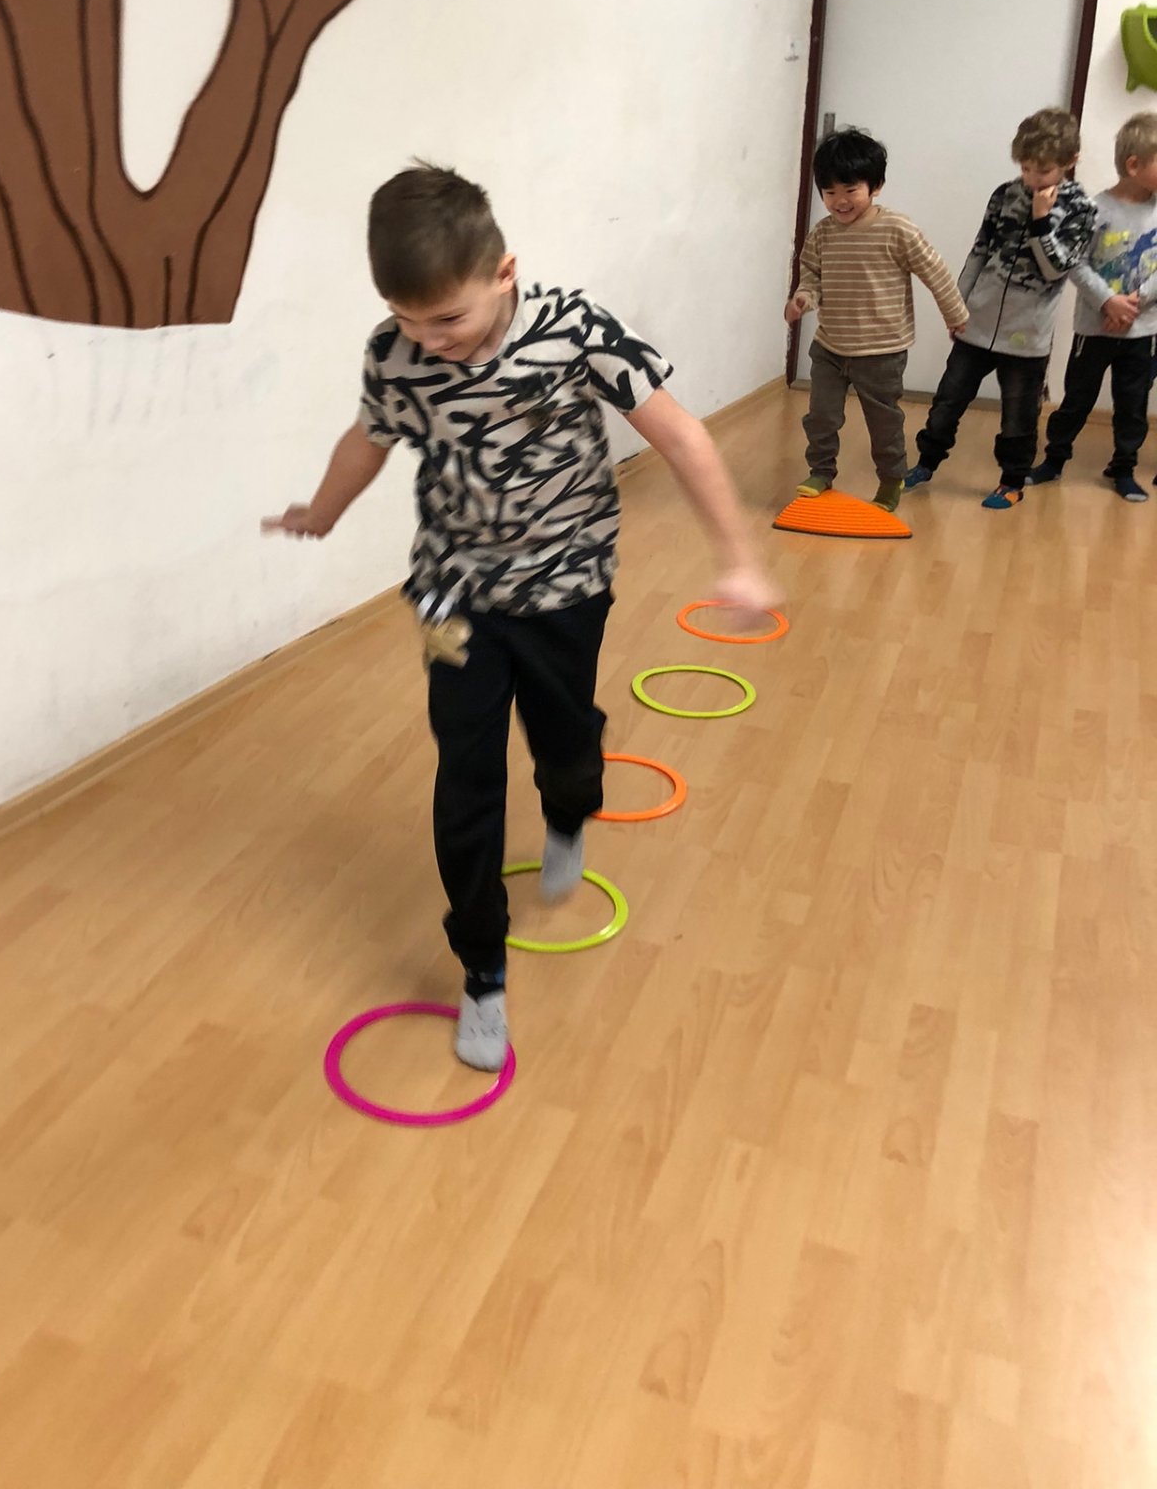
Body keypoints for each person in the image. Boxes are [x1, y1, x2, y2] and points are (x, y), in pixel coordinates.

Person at [264, 164, 778, 1072]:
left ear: (505, 273)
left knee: (564, 740)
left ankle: (570, 809)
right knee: (465, 772)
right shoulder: (395, 354)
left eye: (447, 320)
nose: (429, 342)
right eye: (408, 321)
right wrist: (322, 510)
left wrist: (738, 557)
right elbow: (368, 438)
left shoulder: (573, 329)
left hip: (565, 587)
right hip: (454, 593)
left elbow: (681, 435)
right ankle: (483, 971)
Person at [905, 108, 1097, 510]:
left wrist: (1041, 220)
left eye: (1043, 171)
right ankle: (925, 463)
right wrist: (956, 305)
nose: (1032, 179)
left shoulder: (1081, 208)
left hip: (1028, 335)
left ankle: (1011, 481)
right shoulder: (1004, 194)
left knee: (1018, 417)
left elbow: (1056, 268)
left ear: (1070, 162)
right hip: (977, 322)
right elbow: (980, 251)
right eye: (1025, 168)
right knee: (947, 402)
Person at [784, 128, 967, 511]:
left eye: (850, 190)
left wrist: (955, 315)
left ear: (876, 185)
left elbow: (935, 271)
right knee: (821, 416)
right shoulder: (822, 234)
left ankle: (891, 479)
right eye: (829, 192)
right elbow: (811, 274)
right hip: (831, 346)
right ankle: (821, 471)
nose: (840, 201)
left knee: (883, 423)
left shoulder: (897, 230)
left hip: (882, 351)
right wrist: (803, 297)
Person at [1028, 111, 1157, 502]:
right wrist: (1107, 301)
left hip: (1143, 329)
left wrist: (1136, 302)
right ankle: (1054, 459)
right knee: (1076, 399)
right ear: (1133, 165)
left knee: (1132, 405)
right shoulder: (1093, 209)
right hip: (1094, 327)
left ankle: (1123, 467)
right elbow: (1075, 263)